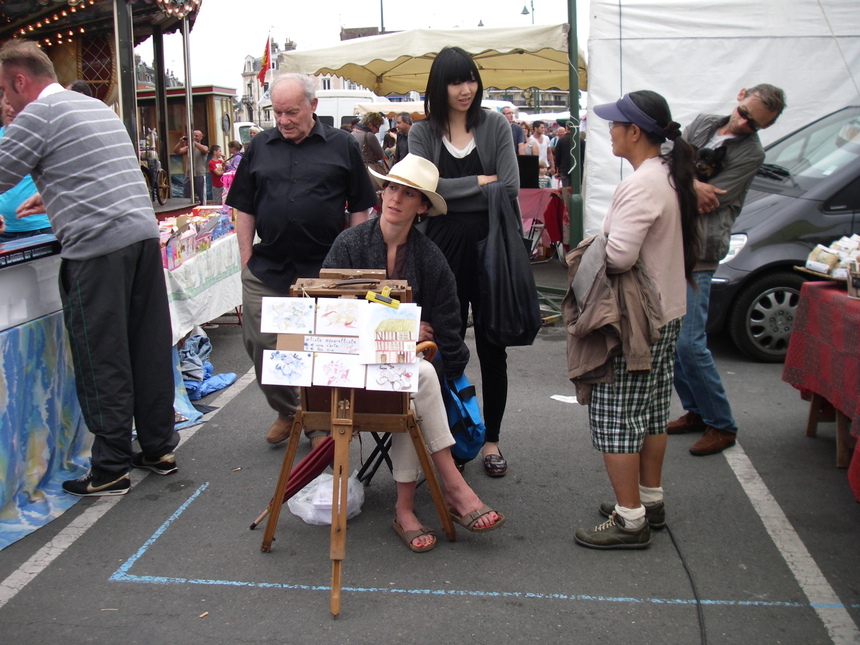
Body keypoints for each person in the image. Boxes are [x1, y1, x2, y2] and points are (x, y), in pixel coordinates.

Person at [0, 41, 179, 496]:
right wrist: (53, 192)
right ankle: (158, 447)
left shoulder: (38, 114)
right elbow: (94, 171)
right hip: (139, 239)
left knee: (103, 357)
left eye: (4, 90)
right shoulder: (92, 107)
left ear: (21, 81)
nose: (6, 102)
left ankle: (111, 465)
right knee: (147, 347)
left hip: (97, 249)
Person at [323, 154, 504, 551]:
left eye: (409, 194)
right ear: (382, 192)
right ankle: (450, 490)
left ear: (423, 206)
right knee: (416, 378)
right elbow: (331, 313)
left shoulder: (431, 258)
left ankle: (407, 510)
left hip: (406, 379)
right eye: (391, 188)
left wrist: (412, 342)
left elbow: (450, 333)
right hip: (347, 373)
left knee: (414, 378)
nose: (396, 199)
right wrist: (402, 325)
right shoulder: (349, 243)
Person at [572, 90, 699, 549]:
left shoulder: (643, 183)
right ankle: (649, 500)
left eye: (615, 124)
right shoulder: (667, 175)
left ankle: (629, 518)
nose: (610, 131)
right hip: (666, 311)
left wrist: (593, 243)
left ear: (635, 132)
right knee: (650, 413)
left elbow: (620, 255)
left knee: (615, 416)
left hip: (635, 319)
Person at [225, 73, 377, 447]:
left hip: (325, 270)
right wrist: (246, 258)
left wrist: (351, 263)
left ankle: (317, 422)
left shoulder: (342, 145)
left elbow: (360, 206)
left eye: (291, 112)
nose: (283, 120)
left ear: (313, 105)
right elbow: (243, 206)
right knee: (262, 345)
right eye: (277, 112)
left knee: (319, 351)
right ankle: (289, 411)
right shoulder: (259, 146)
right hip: (268, 269)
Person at [409, 46, 520, 478]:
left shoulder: (495, 125)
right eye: (456, 81)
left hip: (492, 251)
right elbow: (422, 190)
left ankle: (491, 438)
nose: (466, 89)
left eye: (471, 79)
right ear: (440, 86)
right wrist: (479, 180)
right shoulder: (422, 133)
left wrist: (446, 192)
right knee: (438, 348)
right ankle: (443, 439)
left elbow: (509, 186)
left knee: (494, 349)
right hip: (439, 252)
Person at [668, 84, 785, 456]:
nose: (745, 123)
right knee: (673, 341)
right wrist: (687, 181)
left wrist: (684, 180)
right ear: (741, 95)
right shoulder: (704, 122)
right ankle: (697, 412)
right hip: (672, 243)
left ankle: (722, 424)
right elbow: (667, 163)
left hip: (701, 249)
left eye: (755, 124)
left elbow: (708, 199)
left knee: (690, 342)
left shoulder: (751, 152)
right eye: (745, 113)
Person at [0, 91, 52, 242]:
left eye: (16, 105)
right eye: (7, 103)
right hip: (4, 232)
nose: (11, 110)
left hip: (39, 227)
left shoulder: (38, 137)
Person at [173, 129, 209, 205]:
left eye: (197, 136)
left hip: (199, 175)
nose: (195, 137)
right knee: (187, 197)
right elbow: (176, 151)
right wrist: (180, 142)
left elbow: (205, 150)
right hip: (188, 176)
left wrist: (193, 142)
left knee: (201, 197)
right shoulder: (188, 148)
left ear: (201, 137)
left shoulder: (203, 147)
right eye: (193, 135)